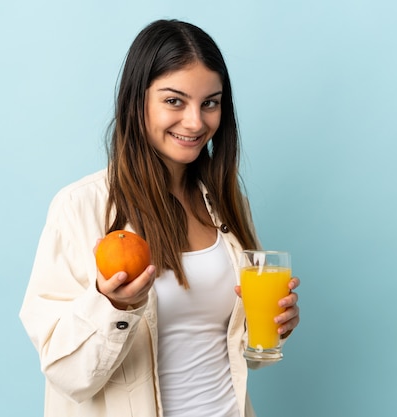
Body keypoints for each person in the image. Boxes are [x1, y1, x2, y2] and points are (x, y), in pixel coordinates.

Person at [19, 19, 301, 417]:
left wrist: (272, 326)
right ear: (137, 101)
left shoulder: (225, 203)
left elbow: (241, 352)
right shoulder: (79, 208)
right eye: (174, 101)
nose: (195, 122)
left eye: (210, 103)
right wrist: (112, 306)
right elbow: (66, 373)